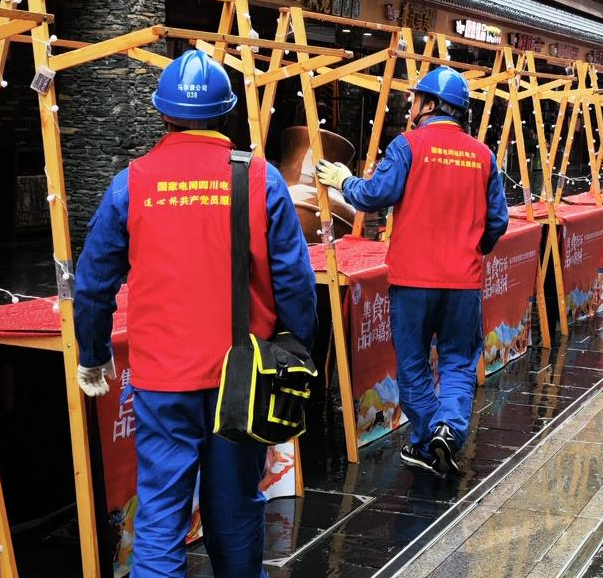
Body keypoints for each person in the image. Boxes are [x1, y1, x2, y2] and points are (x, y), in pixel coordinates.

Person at [73, 50, 317, 578]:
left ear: (163, 115)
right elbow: (296, 282)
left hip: (162, 380)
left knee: (161, 515)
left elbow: (92, 283)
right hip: (243, 381)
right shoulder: (260, 179)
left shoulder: (131, 182)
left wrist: (92, 355)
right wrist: (298, 347)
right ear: (226, 113)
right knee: (235, 512)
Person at [316, 66, 508, 476]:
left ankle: (425, 439)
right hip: (463, 282)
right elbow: (498, 222)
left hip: (411, 281)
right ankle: (448, 431)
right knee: (458, 362)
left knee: (415, 364)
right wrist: (476, 249)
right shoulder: (483, 155)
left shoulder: (407, 146)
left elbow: (375, 195)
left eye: (417, 99)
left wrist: (343, 180)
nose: (412, 105)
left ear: (433, 105)